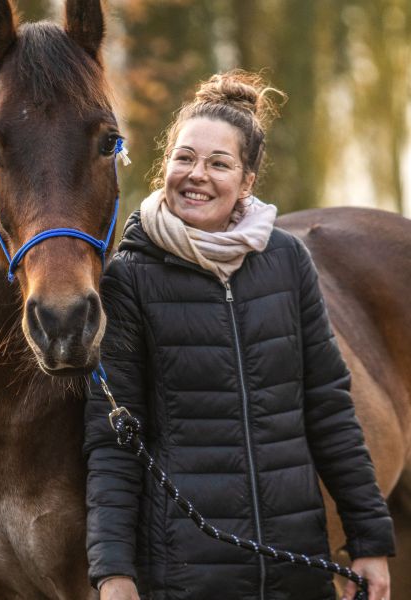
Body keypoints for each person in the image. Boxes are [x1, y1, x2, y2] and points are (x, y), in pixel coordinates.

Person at [84, 70, 395, 600]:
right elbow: (113, 440)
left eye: (218, 163)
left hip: (296, 570)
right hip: (185, 578)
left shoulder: (287, 261)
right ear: (165, 165)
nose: (195, 174)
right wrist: (113, 574)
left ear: (247, 181)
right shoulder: (128, 278)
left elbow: (330, 411)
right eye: (183, 157)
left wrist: (370, 540)